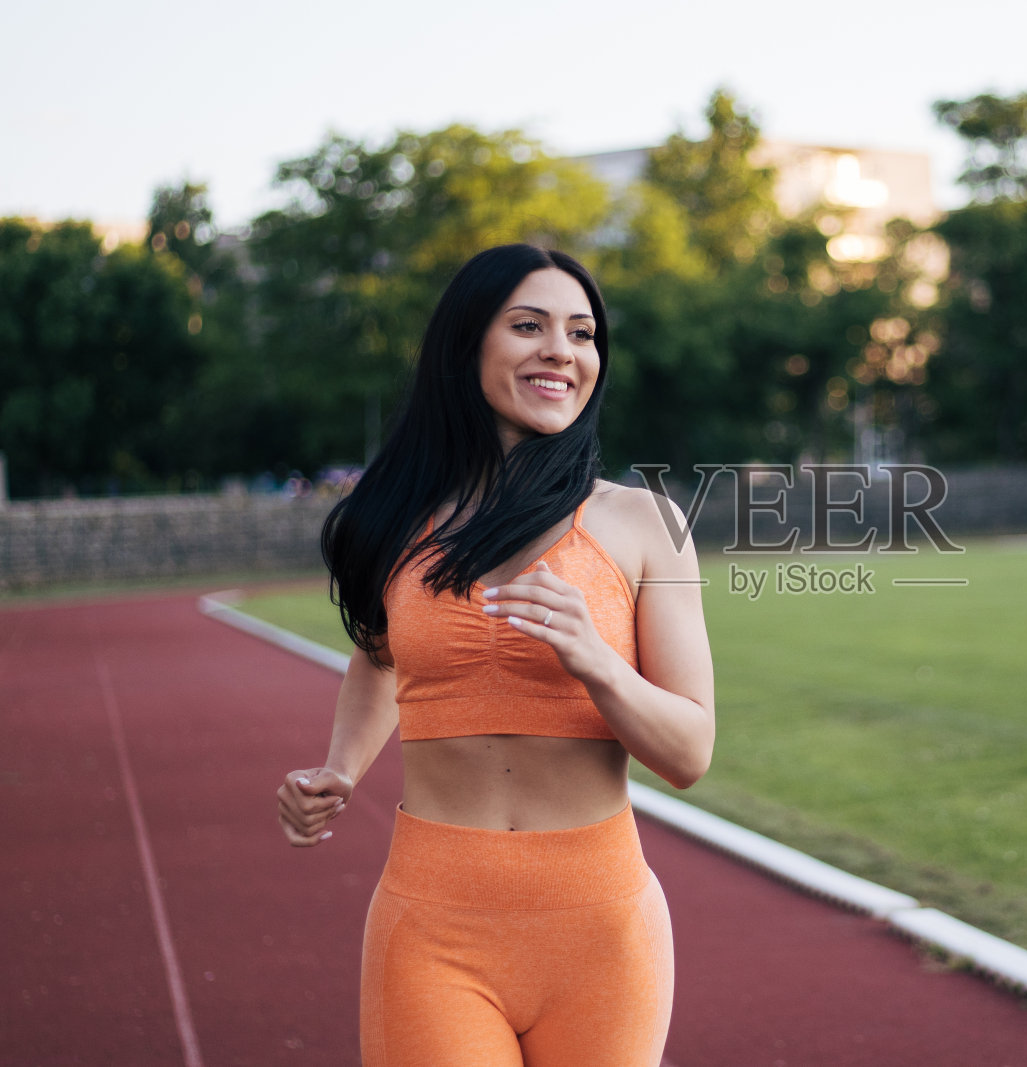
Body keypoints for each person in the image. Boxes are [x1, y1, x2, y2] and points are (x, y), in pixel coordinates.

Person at [275, 244, 715, 1067]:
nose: (562, 349)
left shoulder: (647, 522)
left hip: (603, 930)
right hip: (432, 922)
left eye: (582, 334)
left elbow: (690, 751)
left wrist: (598, 660)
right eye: (529, 325)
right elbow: (381, 657)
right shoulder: (391, 519)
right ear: (465, 344)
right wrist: (339, 767)